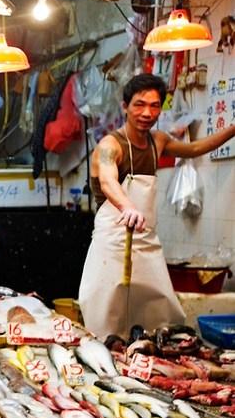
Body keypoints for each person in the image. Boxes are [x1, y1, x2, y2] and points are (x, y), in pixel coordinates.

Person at [79, 73, 235, 339]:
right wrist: (127, 206)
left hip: (145, 239)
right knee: (105, 316)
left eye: (154, 105)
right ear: (125, 106)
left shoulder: (158, 141)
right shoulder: (109, 145)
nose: (147, 112)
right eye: (139, 104)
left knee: (159, 313)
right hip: (112, 241)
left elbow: (196, 148)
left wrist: (233, 128)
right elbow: (107, 181)